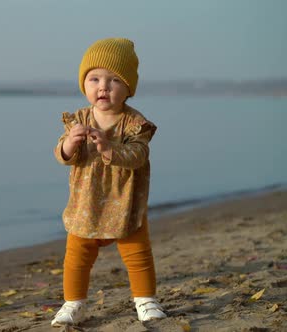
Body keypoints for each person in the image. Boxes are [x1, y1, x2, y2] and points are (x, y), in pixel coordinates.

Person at [51, 38, 166, 327]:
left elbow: (139, 155)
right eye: (94, 79)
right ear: (84, 84)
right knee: (77, 255)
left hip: (125, 201)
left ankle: (145, 299)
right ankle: (73, 302)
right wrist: (68, 145)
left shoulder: (133, 122)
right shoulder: (78, 119)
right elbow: (62, 156)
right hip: (85, 202)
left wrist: (109, 149)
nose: (103, 86)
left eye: (114, 80)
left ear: (128, 89)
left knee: (136, 251)